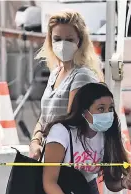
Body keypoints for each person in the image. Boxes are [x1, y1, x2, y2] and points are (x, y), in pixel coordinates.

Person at [29, 10, 103, 160]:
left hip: (71, 166)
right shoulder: (55, 73)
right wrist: (35, 140)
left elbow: (71, 121)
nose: (62, 45)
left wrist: (43, 135)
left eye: (69, 39)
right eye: (57, 39)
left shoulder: (82, 76)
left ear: (80, 41)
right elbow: (45, 117)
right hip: (52, 160)